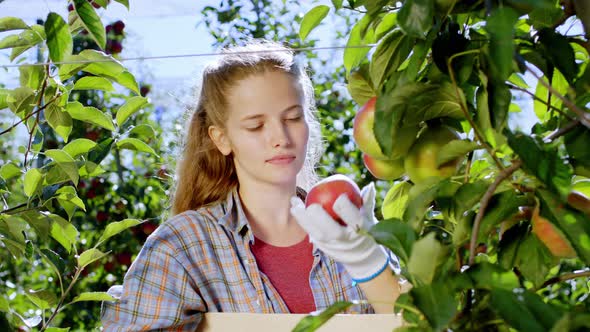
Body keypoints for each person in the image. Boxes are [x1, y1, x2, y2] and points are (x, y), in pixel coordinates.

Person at [101, 39, 401, 330]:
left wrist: (371, 264)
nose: (281, 138)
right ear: (222, 138)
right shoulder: (184, 247)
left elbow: (420, 324)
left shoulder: (350, 231)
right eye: (256, 125)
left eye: (293, 118)